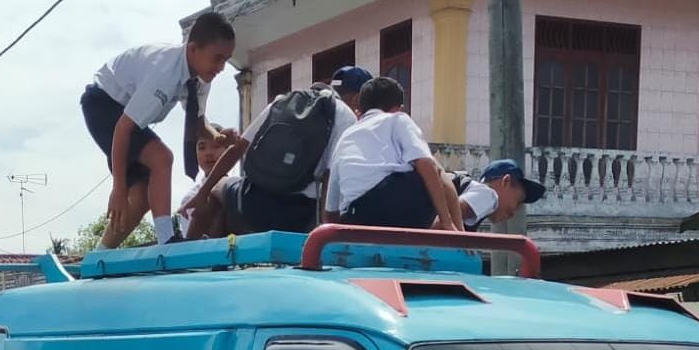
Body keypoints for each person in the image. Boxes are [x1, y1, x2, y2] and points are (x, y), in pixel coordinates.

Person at [82, 11, 236, 249]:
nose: (221, 67)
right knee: (161, 157)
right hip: (103, 103)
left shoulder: (201, 79)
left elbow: (198, 123)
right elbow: (123, 129)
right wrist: (118, 189)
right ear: (193, 49)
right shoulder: (164, 72)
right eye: (217, 58)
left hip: (125, 115)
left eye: (226, 60)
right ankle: (167, 239)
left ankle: (99, 255)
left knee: (142, 198)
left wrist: (218, 136)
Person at [182, 81, 357, 239]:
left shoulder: (282, 102)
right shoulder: (345, 115)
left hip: (253, 201)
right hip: (301, 217)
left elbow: (237, 149)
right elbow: (330, 178)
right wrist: (325, 232)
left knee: (217, 188)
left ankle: (188, 253)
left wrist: (202, 193)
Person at [325, 77, 459, 231]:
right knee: (435, 167)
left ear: (360, 110)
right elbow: (426, 164)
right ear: (398, 108)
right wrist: (446, 221)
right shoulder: (398, 119)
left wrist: (333, 239)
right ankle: (457, 230)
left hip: (358, 216)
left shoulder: (345, 136)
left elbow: (331, 209)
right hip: (398, 205)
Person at [441, 159, 545, 231]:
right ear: (506, 182)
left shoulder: (475, 201)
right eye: (517, 202)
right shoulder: (488, 196)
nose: (513, 213)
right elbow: (441, 222)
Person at [177, 126, 231, 239]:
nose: (208, 153)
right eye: (202, 148)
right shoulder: (190, 198)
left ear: (228, 150)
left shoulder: (238, 190)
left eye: (216, 146)